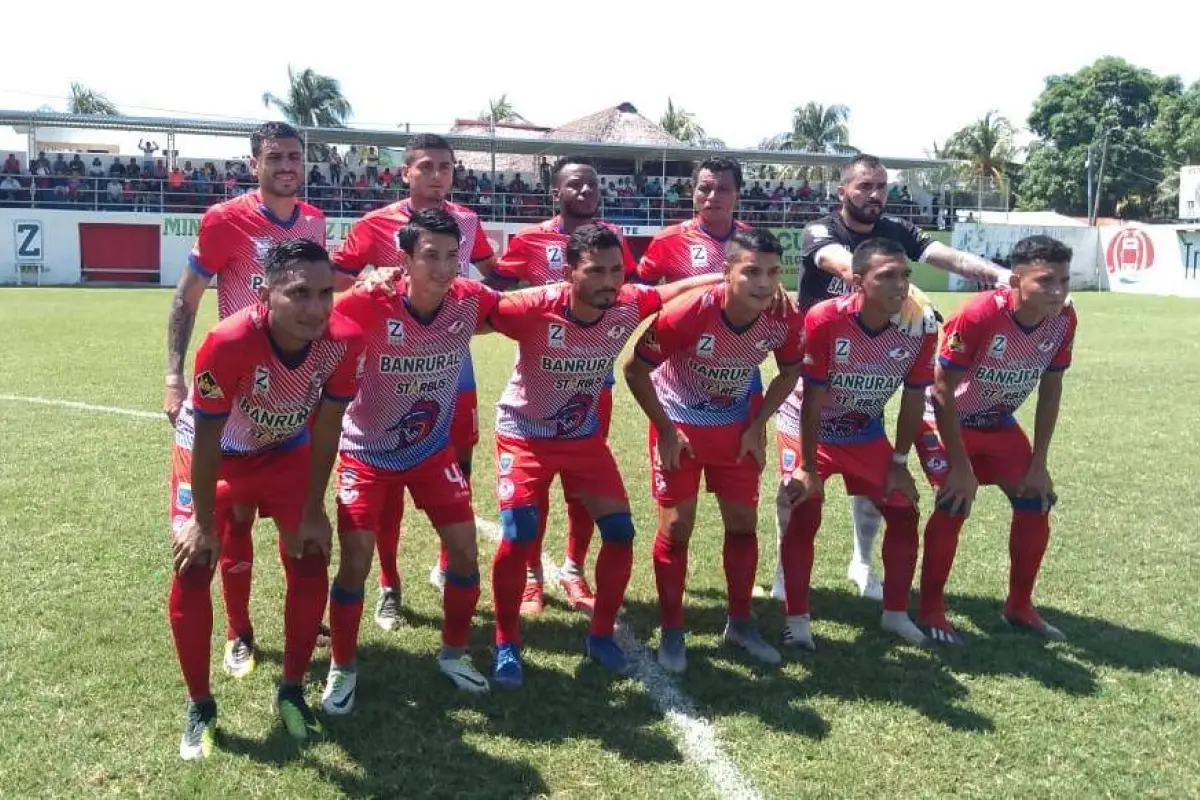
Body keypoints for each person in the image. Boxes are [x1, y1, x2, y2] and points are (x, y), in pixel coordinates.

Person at [483, 224, 724, 688]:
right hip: (523, 434)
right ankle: (506, 643)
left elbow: (672, 288)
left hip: (582, 437)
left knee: (619, 532)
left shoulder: (629, 303)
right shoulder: (535, 306)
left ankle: (600, 637)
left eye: (616, 270)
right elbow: (473, 309)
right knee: (518, 535)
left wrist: (727, 278)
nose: (609, 281)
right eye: (595, 271)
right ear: (570, 272)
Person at [771, 152, 1010, 604]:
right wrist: (908, 290)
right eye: (864, 186)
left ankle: (862, 563)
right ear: (842, 190)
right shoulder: (820, 231)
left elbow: (951, 257)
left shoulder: (898, 230)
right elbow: (841, 264)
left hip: (872, 376)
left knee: (875, 483)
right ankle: (784, 573)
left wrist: (1002, 276)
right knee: (798, 487)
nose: (874, 195)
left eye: (881, 187)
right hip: (818, 375)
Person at [167, 239, 364, 760]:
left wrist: (315, 508)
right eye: (299, 293)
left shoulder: (344, 339)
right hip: (216, 453)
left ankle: (292, 688)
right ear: (264, 292)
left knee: (311, 550)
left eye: (325, 293)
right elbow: (207, 436)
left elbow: (327, 429)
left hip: (284, 451)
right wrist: (203, 521)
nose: (316, 308)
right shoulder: (228, 342)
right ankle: (201, 707)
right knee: (194, 561)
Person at [164, 121, 334, 680]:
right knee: (230, 523)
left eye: (295, 156)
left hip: (285, 392)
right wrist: (173, 375)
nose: (287, 165)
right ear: (253, 164)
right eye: (275, 157)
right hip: (231, 389)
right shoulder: (224, 219)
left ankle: (302, 622)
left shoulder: (313, 219)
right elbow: (187, 298)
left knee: (298, 520)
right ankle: (239, 631)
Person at [320, 209, 498, 713]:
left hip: (429, 451)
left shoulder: (468, 301)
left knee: (464, 551)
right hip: (365, 451)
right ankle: (342, 667)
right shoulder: (369, 302)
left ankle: (454, 654)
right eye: (430, 257)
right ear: (404, 260)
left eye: (451, 256)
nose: (443, 268)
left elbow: (525, 309)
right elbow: (313, 322)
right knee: (354, 560)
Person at [332, 133, 496, 630]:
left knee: (455, 458)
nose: (437, 175)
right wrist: (369, 282)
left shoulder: (467, 221)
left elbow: (492, 274)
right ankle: (388, 582)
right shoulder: (376, 223)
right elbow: (338, 279)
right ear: (406, 172)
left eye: (445, 167)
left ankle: (449, 566)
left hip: (448, 356)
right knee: (388, 467)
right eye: (426, 166)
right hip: (389, 358)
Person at [623, 228, 803, 673]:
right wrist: (665, 430)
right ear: (727, 273)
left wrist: (759, 426)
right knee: (677, 527)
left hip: (736, 427)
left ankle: (740, 623)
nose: (764, 283)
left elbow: (790, 371)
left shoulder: (782, 316)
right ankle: (672, 629)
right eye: (752, 272)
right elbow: (634, 369)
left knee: (742, 525)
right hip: (679, 423)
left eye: (773, 273)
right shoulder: (690, 311)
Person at [483, 155, 637, 617]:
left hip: (594, 382)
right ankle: (531, 575)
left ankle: (573, 568)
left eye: (592, 184)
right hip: (543, 372)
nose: (586, 191)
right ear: (557, 193)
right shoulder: (532, 238)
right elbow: (495, 285)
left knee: (582, 487)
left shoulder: (612, 241)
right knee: (535, 493)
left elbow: (632, 291)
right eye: (576, 185)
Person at [914, 235, 1077, 644]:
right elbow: (940, 390)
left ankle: (1019, 606)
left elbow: (1051, 390)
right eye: (1045, 281)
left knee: (1035, 500)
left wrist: (1039, 464)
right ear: (1016, 280)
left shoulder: (1065, 319)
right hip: (946, 420)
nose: (1057, 291)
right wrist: (962, 468)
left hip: (998, 422)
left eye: (1064, 280)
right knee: (955, 502)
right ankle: (931, 609)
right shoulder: (980, 313)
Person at [779, 238, 938, 650]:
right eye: (886, 276)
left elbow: (914, 398)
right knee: (805, 507)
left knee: (903, 510)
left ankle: (896, 614)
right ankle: (796, 619)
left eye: (905, 276)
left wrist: (900, 462)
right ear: (856, 281)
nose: (900, 286)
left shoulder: (921, 325)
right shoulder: (825, 318)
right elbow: (813, 398)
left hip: (864, 432)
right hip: (807, 428)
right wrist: (809, 467)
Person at [635, 156, 749, 285]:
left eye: (723, 189)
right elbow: (638, 294)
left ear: (737, 197)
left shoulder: (752, 240)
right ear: (693, 194)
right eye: (705, 189)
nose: (712, 197)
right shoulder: (669, 239)